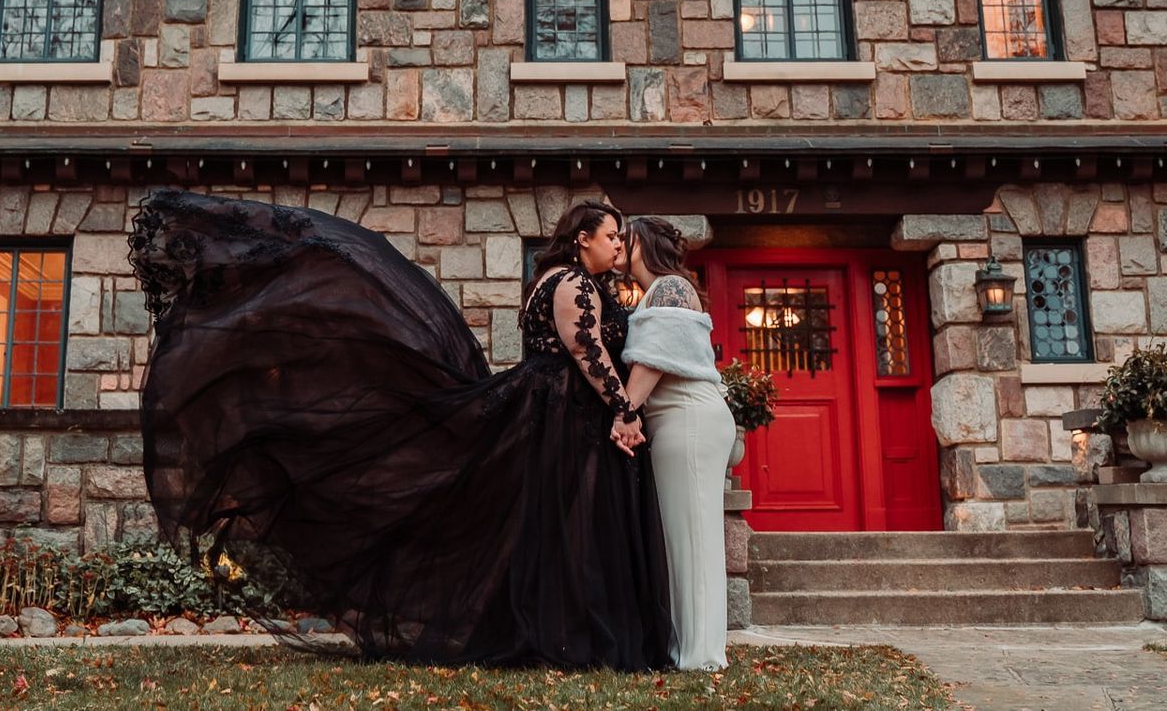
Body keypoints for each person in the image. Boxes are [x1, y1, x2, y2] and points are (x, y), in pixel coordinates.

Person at [129, 190, 673, 669]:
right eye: (611, 237)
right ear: (582, 239)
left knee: (548, 526)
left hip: (553, 410)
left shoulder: (556, 279)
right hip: (564, 413)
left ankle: (563, 631)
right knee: (566, 523)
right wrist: (625, 410)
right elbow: (588, 354)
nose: (619, 247)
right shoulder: (572, 283)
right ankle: (572, 635)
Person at [616, 216, 733, 671]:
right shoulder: (655, 292)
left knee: (693, 538)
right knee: (680, 539)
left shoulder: (669, 288)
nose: (618, 243)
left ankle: (700, 655)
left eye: (625, 236)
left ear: (644, 244)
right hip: (676, 422)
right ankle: (684, 643)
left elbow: (654, 357)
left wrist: (624, 413)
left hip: (689, 418)